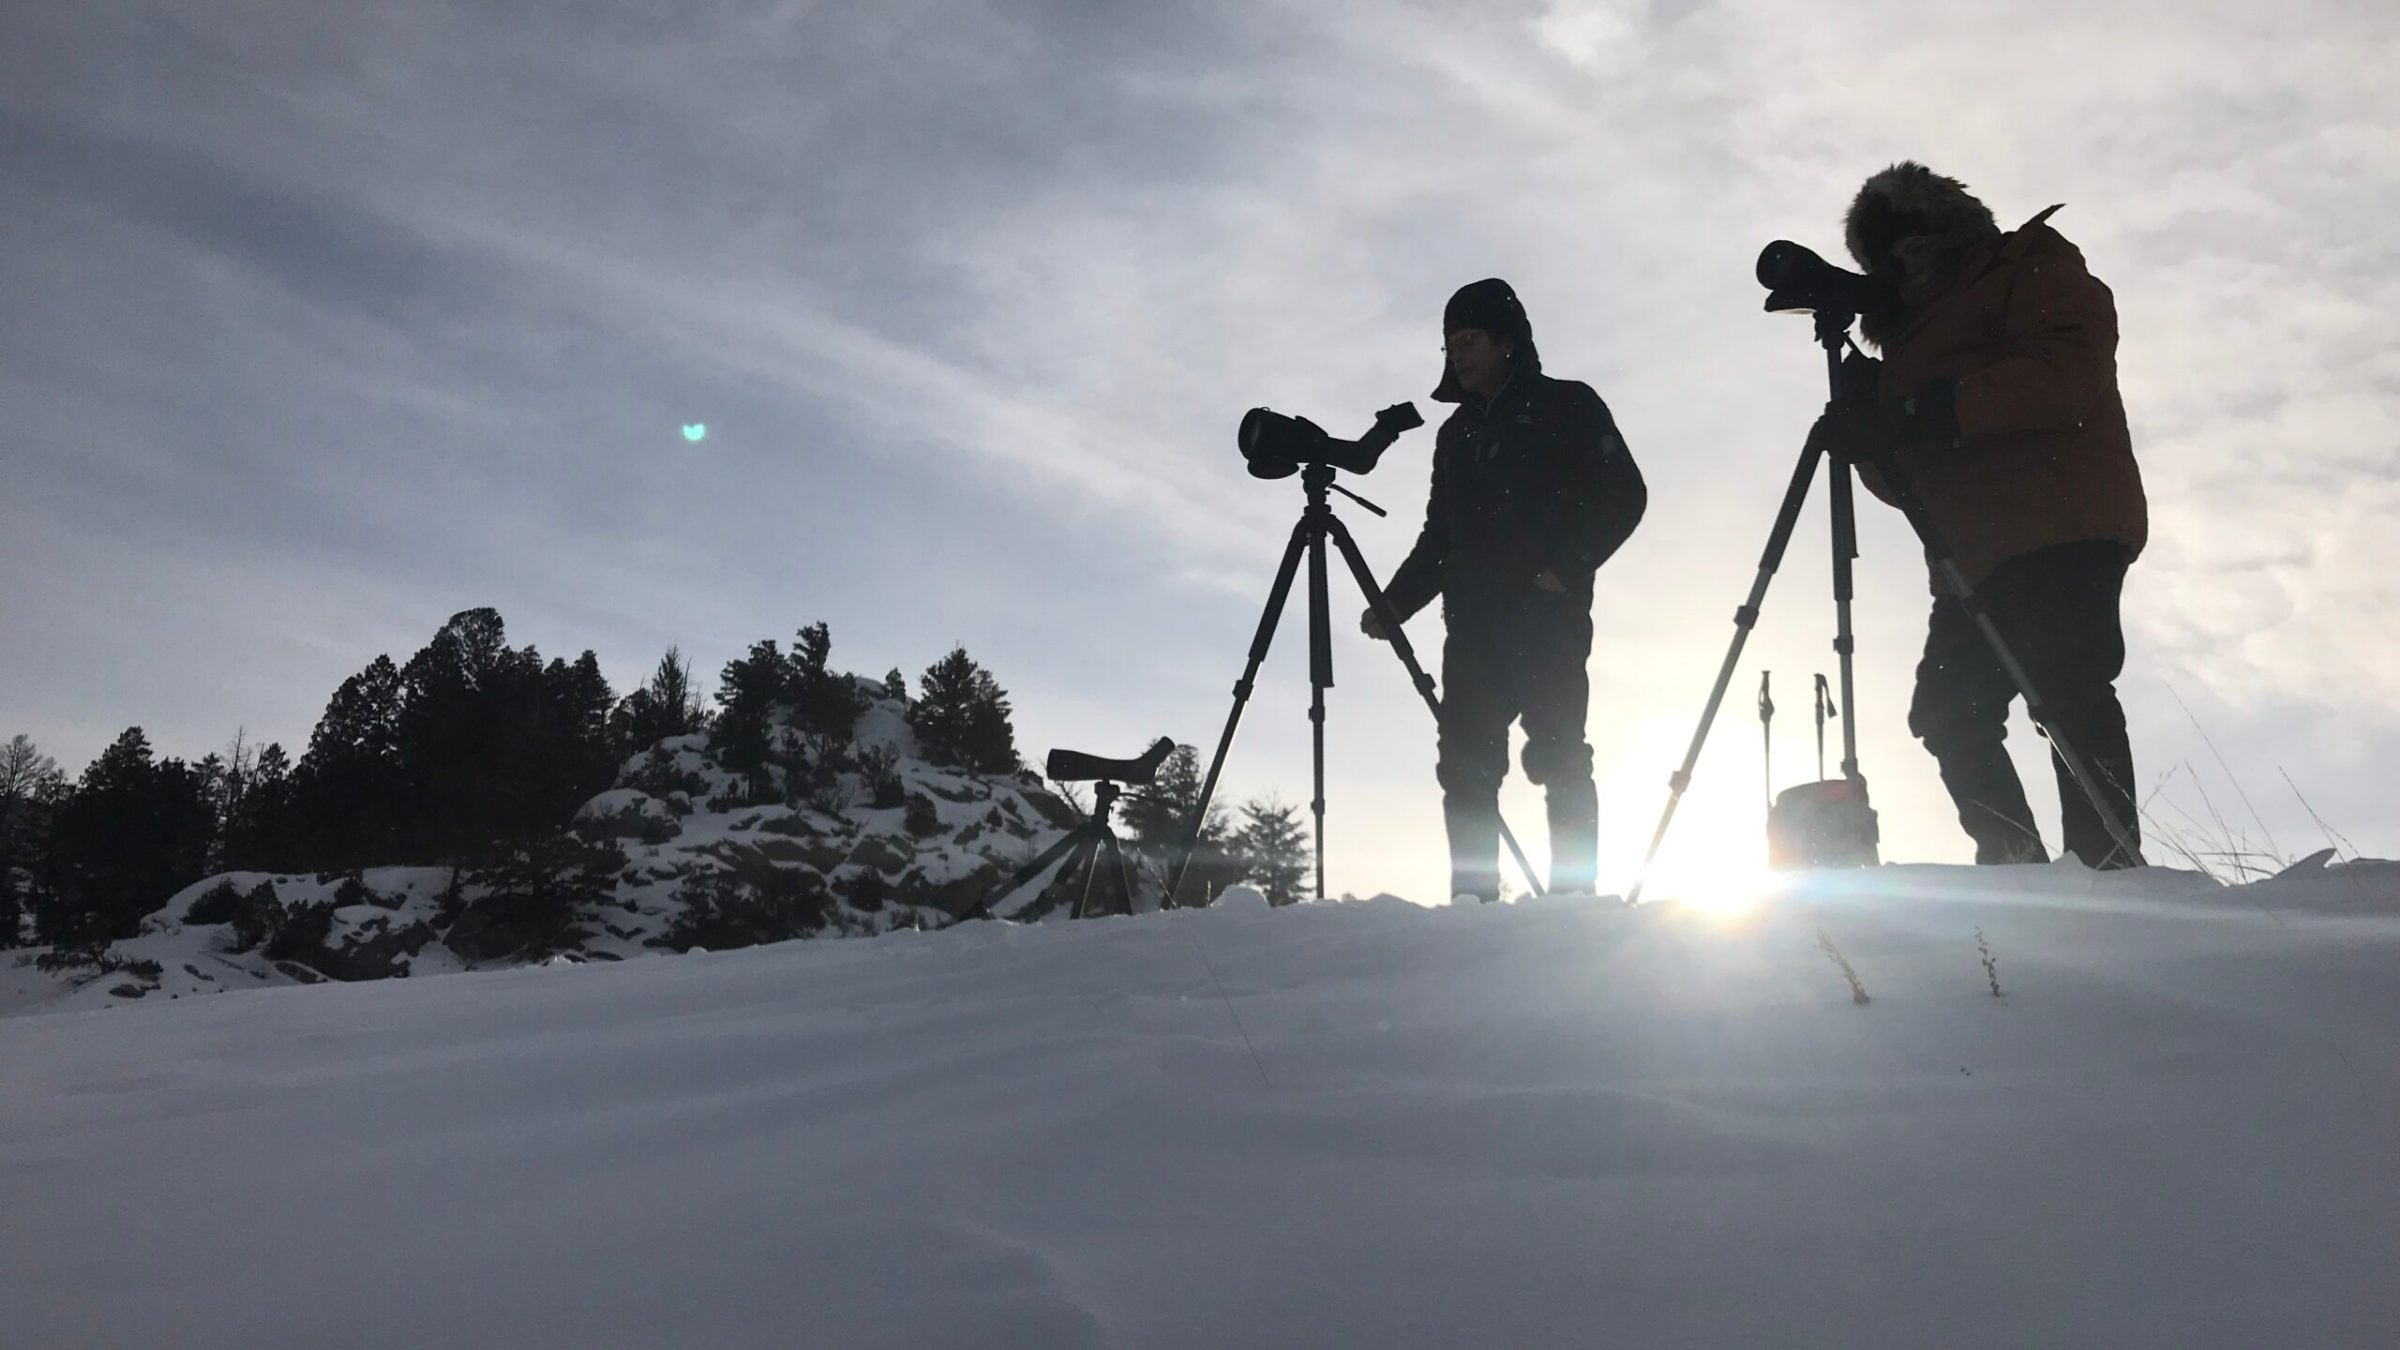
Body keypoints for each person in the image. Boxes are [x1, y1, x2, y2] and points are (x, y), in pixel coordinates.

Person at [1819, 162, 2148, 868]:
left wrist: (1922, 409)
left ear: (1931, 233)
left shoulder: (2026, 264)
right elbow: (1909, 484)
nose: (1894, 268)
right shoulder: (1906, 340)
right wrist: (1871, 426)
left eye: (1897, 248)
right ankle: (2018, 870)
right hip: (1971, 555)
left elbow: (2066, 375)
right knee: (1947, 710)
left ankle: (2111, 870)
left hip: (2058, 520)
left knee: (2065, 690)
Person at [1362, 279, 1646, 902]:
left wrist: (1566, 570)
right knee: (1465, 769)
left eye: (1469, 340)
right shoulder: (1455, 436)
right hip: (1472, 633)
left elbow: (1625, 494)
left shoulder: (1569, 405)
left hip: (1548, 623)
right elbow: (1439, 539)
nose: (1457, 354)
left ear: (1507, 342)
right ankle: (1474, 904)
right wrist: (1394, 604)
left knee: (1560, 756)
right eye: (1450, 343)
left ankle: (1574, 901)